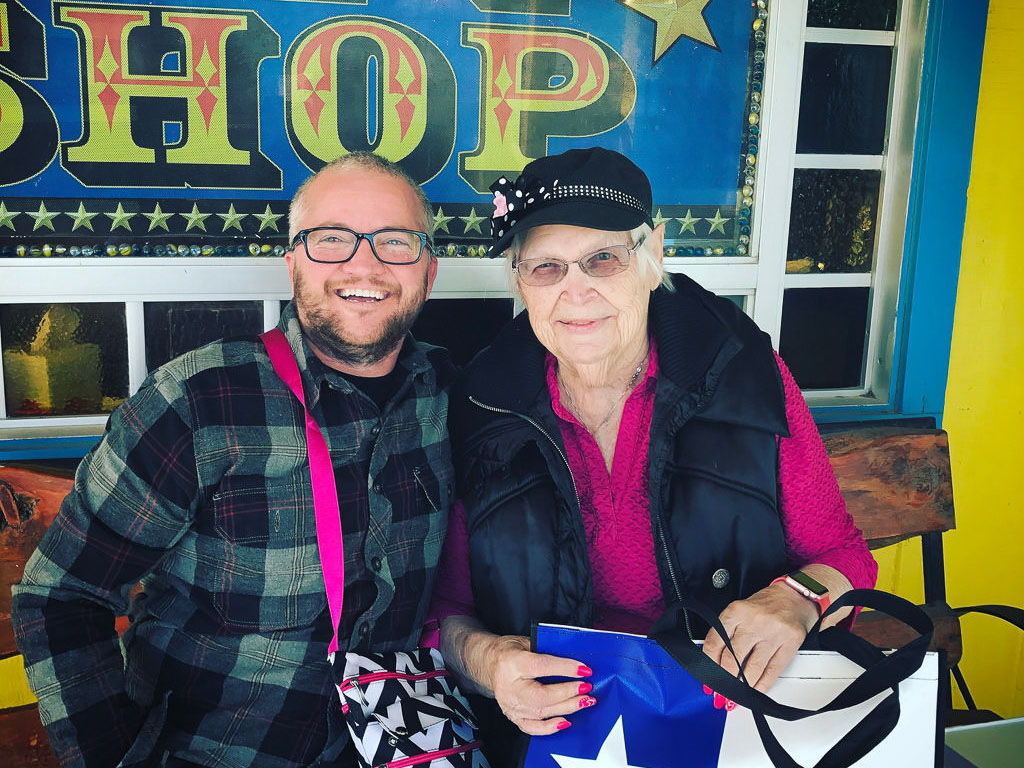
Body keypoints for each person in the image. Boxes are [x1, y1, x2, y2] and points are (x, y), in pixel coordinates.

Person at [431, 147, 877, 764]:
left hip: (732, 720)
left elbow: (843, 556)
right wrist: (490, 664)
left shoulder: (746, 378)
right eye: (546, 268)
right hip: (565, 741)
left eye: (604, 259)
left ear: (654, 254)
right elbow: (449, 611)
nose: (575, 291)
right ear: (518, 278)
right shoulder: (481, 408)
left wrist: (796, 600)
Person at [12, 152, 455, 768]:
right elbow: (63, 594)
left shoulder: (456, 400)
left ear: (428, 272)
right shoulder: (199, 398)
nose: (364, 263)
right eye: (331, 240)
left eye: (395, 242)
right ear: (293, 262)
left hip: (400, 746)